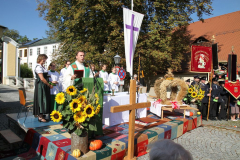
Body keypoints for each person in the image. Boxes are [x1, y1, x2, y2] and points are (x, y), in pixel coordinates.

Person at [33, 54, 53, 122]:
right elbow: (41, 78)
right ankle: (40, 116)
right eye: (44, 59)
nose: (45, 60)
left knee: (44, 99)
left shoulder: (42, 67)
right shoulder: (38, 67)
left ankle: (42, 114)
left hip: (43, 85)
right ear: (41, 59)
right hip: (40, 85)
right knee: (41, 99)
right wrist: (48, 84)